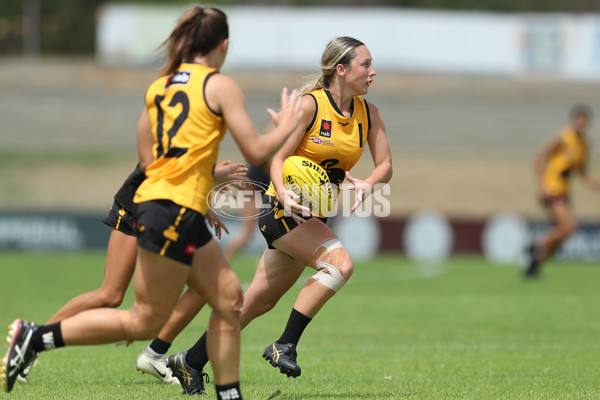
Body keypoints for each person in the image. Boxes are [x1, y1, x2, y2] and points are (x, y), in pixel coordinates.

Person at [1, 6, 303, 399]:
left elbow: (148, 160)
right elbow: (256, 149)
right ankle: (36, 338)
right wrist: (290, 123)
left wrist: (197, 191)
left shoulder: (159, 86)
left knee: (228, 297)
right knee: (143, 320)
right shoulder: (219, 85)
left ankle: (229, 394)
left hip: (165, 204)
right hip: (171, 210)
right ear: (223, 45)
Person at [168, 35, 392, 386]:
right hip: (283, 210)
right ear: (341, 69)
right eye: (366, 64)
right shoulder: (310, 106)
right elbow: (278, 158)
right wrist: (285, 193)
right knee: (340, 265)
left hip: (315, 215)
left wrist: (369, 184)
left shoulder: (370, 113)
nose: (372, 71)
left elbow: (386, 165)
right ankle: (285, 344)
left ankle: (189, 362)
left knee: (253, 304)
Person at [15, 160, 246, 386]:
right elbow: (158, 167)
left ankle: (156, 353)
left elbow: (183, 171)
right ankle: (33, 342)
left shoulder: (200, 131)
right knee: (111, 295)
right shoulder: (176, 125)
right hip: (139, 206)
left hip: (170, 211)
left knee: (204, 287)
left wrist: (203, 205)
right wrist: (212, 172)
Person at [524, 104, 600, 276]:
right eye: (578, 119)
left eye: (584, 120)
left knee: (563, 237)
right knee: (570, 227)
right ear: (573, 120)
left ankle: (534, 265)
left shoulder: (584, 145)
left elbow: (583, 173)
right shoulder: (563, 137)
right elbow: (538, 158)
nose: (581, 123)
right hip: (551, 188)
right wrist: (541, 184)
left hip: (564, 192)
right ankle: (534, 245)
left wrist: (595, 183)